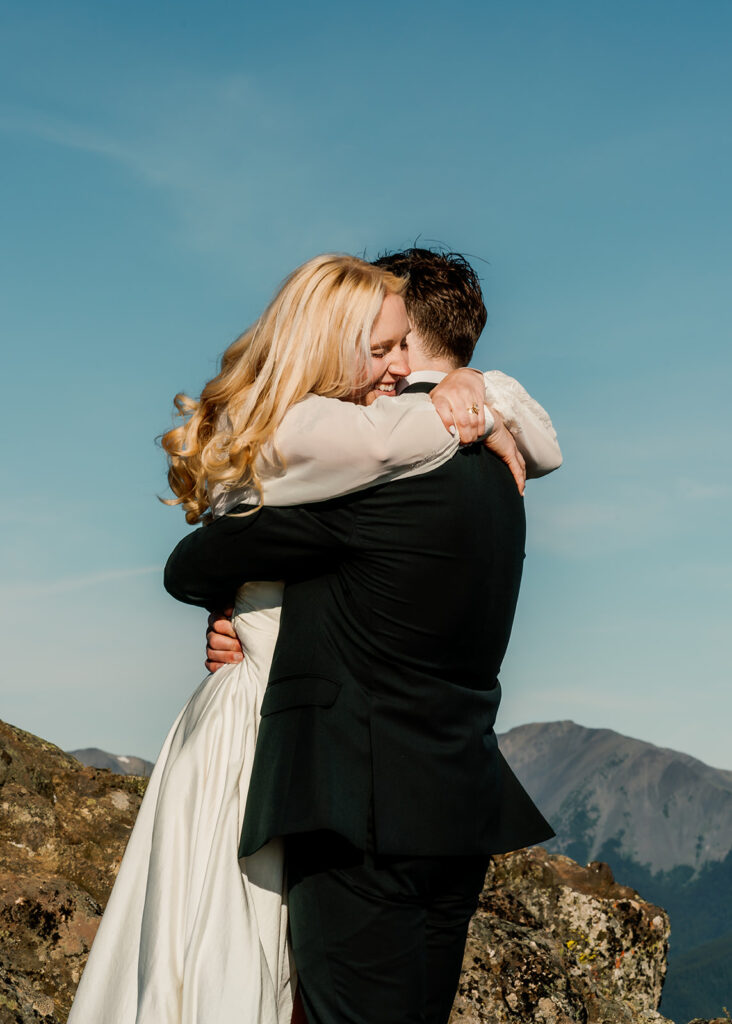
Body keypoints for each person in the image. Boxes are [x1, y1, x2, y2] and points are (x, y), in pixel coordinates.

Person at [165, 249, 559, 1024]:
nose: (375, 363)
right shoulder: (499, 474)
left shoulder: (370, 476)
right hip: (458, 807)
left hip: (359, 813)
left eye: (382, 342)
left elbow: (195, 561)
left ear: (404, 341)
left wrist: (228, 604)